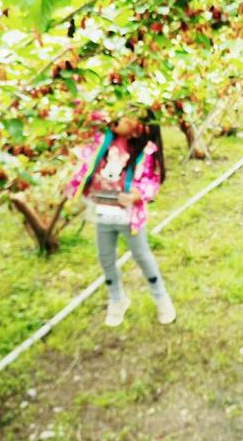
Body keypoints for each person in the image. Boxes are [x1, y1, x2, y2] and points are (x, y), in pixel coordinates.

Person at [65, 111, 176, 327]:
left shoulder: (145, 151)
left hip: (129, 216)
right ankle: (117, 299)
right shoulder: (103, 140)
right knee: (105, 257)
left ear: (140, 127)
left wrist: (137, 194)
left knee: (142, 256)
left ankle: (161, 298)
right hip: (103, 211)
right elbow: (92, 114)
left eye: (127, 117)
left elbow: (152, 180)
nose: (119, 119)